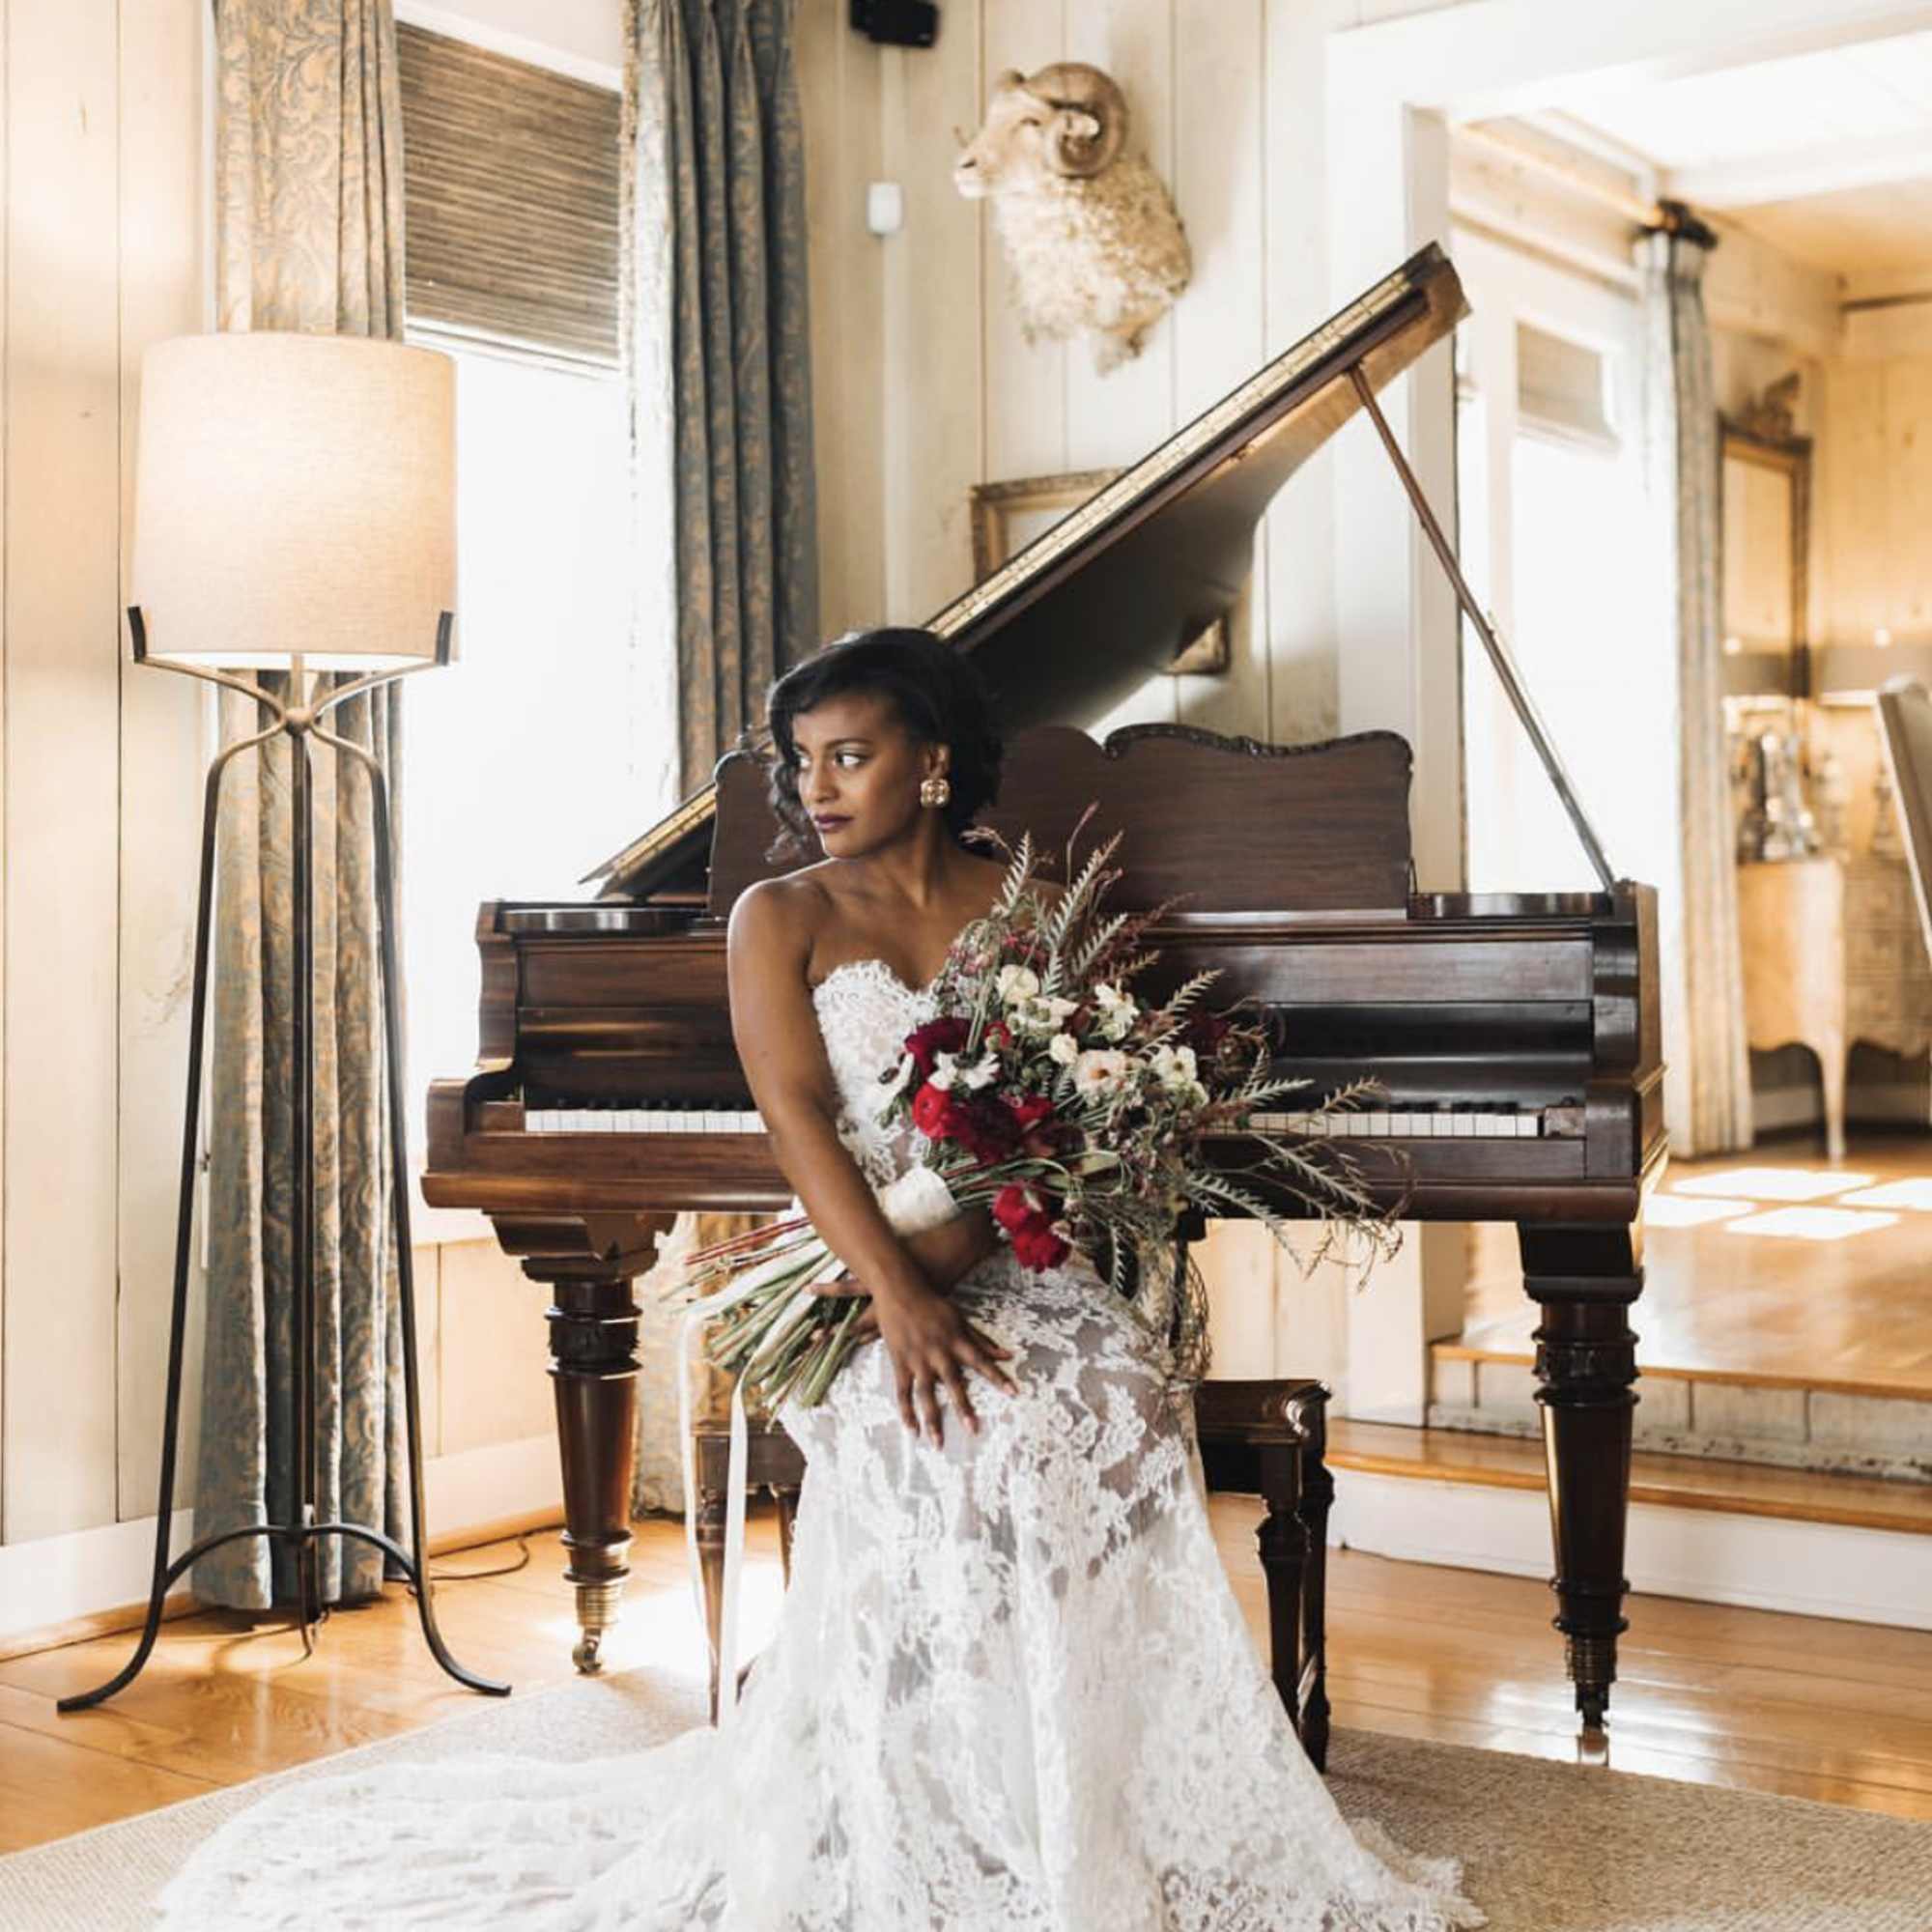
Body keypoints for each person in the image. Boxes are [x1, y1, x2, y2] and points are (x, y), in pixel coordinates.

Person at [157, 628, 1480, 1930]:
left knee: (1117, 1388)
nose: (817, 789)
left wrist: (965, 1251)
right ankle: (921, 1792)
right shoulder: (775, 914)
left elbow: (1065, 1120)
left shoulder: (1025, 900)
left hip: (1015, 1252)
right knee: (971, 1421)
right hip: (851, 1268)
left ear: (938, 765)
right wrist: (900, 1296)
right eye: (801, 763)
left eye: (850, 757)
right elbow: (795, 1116)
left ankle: (1081, 1791)